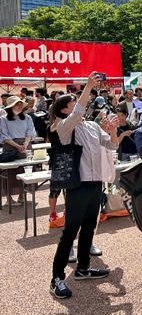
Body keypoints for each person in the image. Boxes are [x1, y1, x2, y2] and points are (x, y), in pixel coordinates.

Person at [49, 73, 118, 300]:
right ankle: (57, 277)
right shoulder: (64, 127)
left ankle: (83, 268)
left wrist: (112, 129)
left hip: (95, 182)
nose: (78, 104)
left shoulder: (90, 125)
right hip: (77, 184)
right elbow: (79, 111)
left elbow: (111, 144)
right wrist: (88, 86)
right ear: (64, 110)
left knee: (89, 226)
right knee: (70, 230)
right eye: (72, 102)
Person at [0, 96, 36, 205]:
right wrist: (18, 146)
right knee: (9, 172)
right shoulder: (3, 119)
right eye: (17, 104)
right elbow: (4, 135)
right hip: (10, 147)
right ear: (11, 107)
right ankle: (8, 198)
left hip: (26, 146)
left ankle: (22, 195)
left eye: (21, 104)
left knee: (25, 170)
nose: (19, 106)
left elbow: (30, 132)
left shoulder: (27, 118)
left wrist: (25, 144)